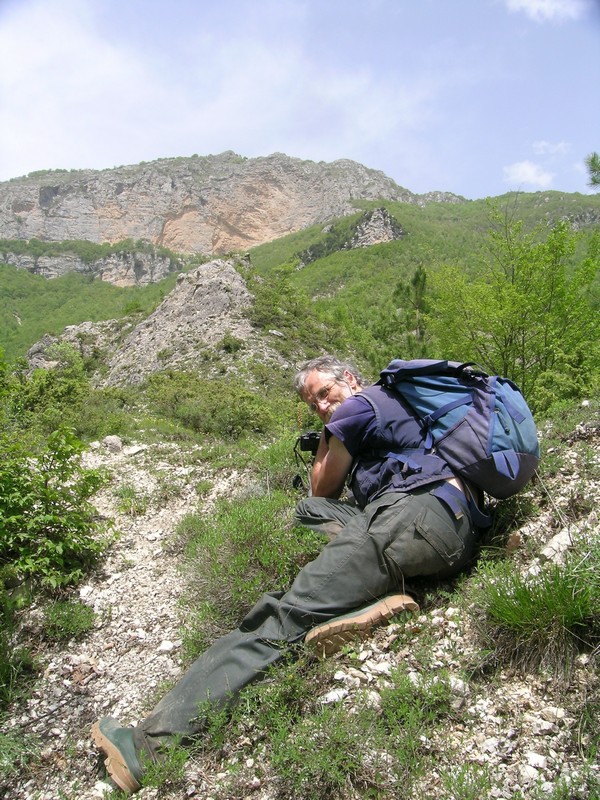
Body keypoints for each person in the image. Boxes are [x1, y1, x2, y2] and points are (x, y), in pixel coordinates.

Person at [92, 354, 481, 793]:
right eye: (311, 402)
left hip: (412, 516)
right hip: (452, 531)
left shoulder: (359, 404)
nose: (321, 406)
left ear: (349, 379)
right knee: (311, 511)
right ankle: (373, 589)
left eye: (324, 393)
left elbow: (322, 481)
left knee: (281, 616)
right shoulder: (396, 403)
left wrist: (327, 436)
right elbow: (319, 501)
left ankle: (145, 749)